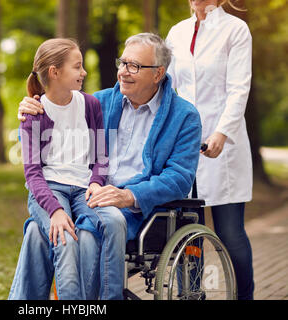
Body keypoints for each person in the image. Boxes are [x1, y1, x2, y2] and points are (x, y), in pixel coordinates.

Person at [15, 33, 202, 300]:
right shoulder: (98, 101)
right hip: (87, 192)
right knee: (36, 230)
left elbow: (179, 177)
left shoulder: (184, 116)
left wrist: (128, 196)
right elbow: (51, 124)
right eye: (122, 62)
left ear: (158, 73)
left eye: (134, 66)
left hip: (139, 210)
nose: (123, 72)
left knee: (87, 235)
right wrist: (29, 107)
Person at [8, 38, 125, 300]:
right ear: (55, 72)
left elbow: (100, 156)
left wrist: (96, 181)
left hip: (85, 189)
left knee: (115, 220)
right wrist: (56, 211)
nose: (83, 72)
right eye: (77, 67)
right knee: (65, 239)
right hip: (49, 190)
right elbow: (33, 175)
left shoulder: (90, 105)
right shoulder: (33, 114)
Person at [165, 0, 255, 299]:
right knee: (187, 234)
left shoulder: (235, 30)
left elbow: (239, 88)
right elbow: (166, 85)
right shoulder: (176, 33)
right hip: (184, 146)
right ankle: (190, 296)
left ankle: (245, 296)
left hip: (223, 147)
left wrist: (222, 132)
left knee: (230, 234)